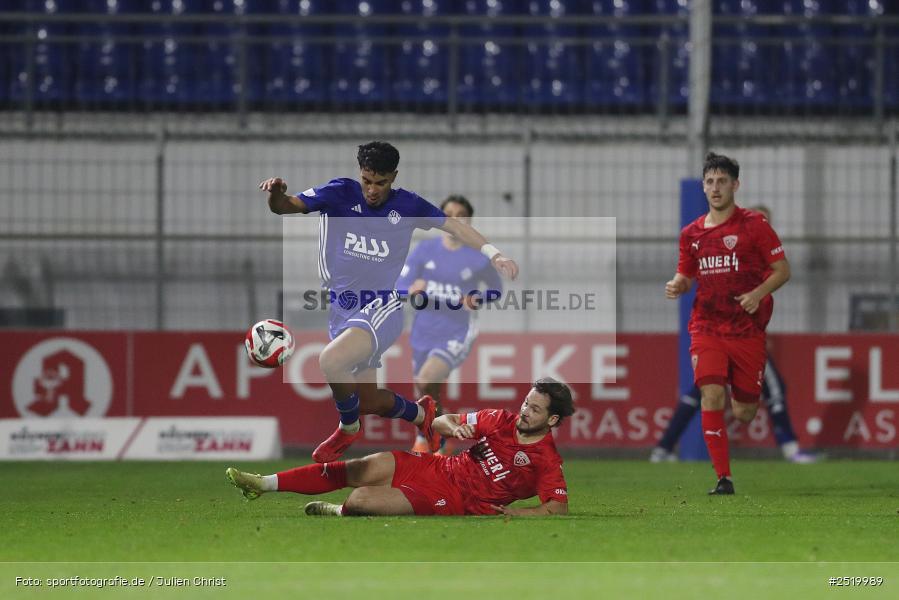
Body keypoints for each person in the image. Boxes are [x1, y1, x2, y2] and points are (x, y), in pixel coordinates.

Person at [260, 142, 518, 463]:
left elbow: (454, 226)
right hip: (343, 308)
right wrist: (275, 193)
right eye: (367, 180)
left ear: (393, 177)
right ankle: (421, 414)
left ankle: (348, 428)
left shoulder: (407, 205)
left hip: (383, 305)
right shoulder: (339, 192)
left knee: (330, 361)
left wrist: (494, 254)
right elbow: (285, 206)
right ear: (360, 174)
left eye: (381, 182)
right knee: (369, 400)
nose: (372, 190)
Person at [226, 378, 574, 517]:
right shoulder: (500, 419)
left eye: (535, 409)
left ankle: (337, 511)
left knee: (361, 499)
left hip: (457, 499)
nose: (525, 412)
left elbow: (557, 507)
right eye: (527, 403)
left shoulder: (547, 460)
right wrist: (455, 426)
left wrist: (516, 513)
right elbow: (437, 422)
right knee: (361, 469)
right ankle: (264, 483)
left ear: (553, 420)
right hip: (437, 467)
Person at [664, 153, 791, 495]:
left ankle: (744, 398)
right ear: (703, 187)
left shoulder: (756, 226)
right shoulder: (690, 234)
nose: (715, 188)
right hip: (707, 327)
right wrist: (678, 284)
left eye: (722, 181)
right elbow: (686, 273)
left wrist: (758, 292)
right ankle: (724, 478)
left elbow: (783, 271)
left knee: (745, 411)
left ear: (736, 185)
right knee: (712, 394)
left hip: (747, 330)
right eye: (710, 181)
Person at [651, 206, 817, 465]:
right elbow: (695, 273)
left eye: (767, 223)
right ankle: (790, 448)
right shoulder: (737, 253)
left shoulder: (761, 255)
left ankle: (663, 446)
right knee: (766, 388)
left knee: (704, 394)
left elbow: (776, 278)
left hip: (744, 335)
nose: (763, 227)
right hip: (724, 333)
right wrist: (680, 283)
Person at [395, 195, 503, 454]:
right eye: (449, 213)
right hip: (423, 329)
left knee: (427, 379)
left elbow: (496, 289)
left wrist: (478, 297)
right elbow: (400, 287)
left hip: (457, 330)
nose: (455, 218)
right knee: (427, 392)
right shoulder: (424, 250)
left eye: (461, 214)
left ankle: (426, 439)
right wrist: (412, 289)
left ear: (469, 220)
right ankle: (440, 440)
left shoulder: (477, 256)